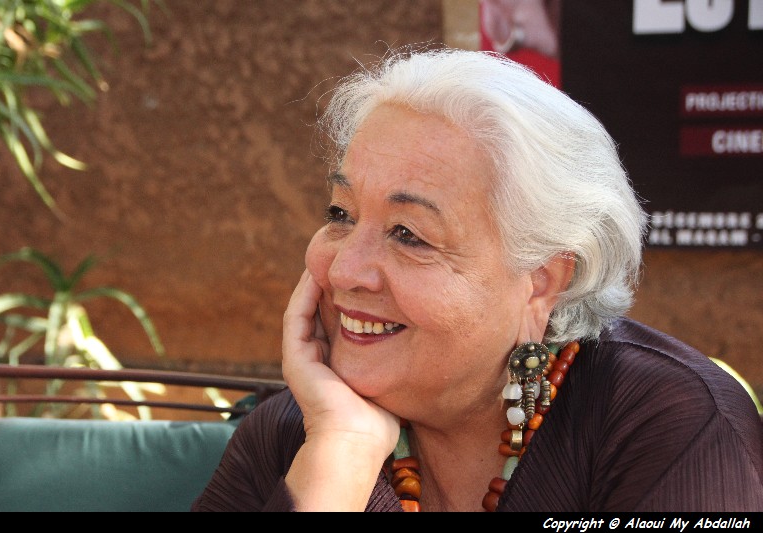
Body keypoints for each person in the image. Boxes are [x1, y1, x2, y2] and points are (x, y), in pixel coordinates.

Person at [191, 47, 763, 512]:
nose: (344, 270)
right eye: (341, 214)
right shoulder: (299, 430)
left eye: (408, 234)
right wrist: (341, 456)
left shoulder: (668, 424)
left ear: (541, 283)